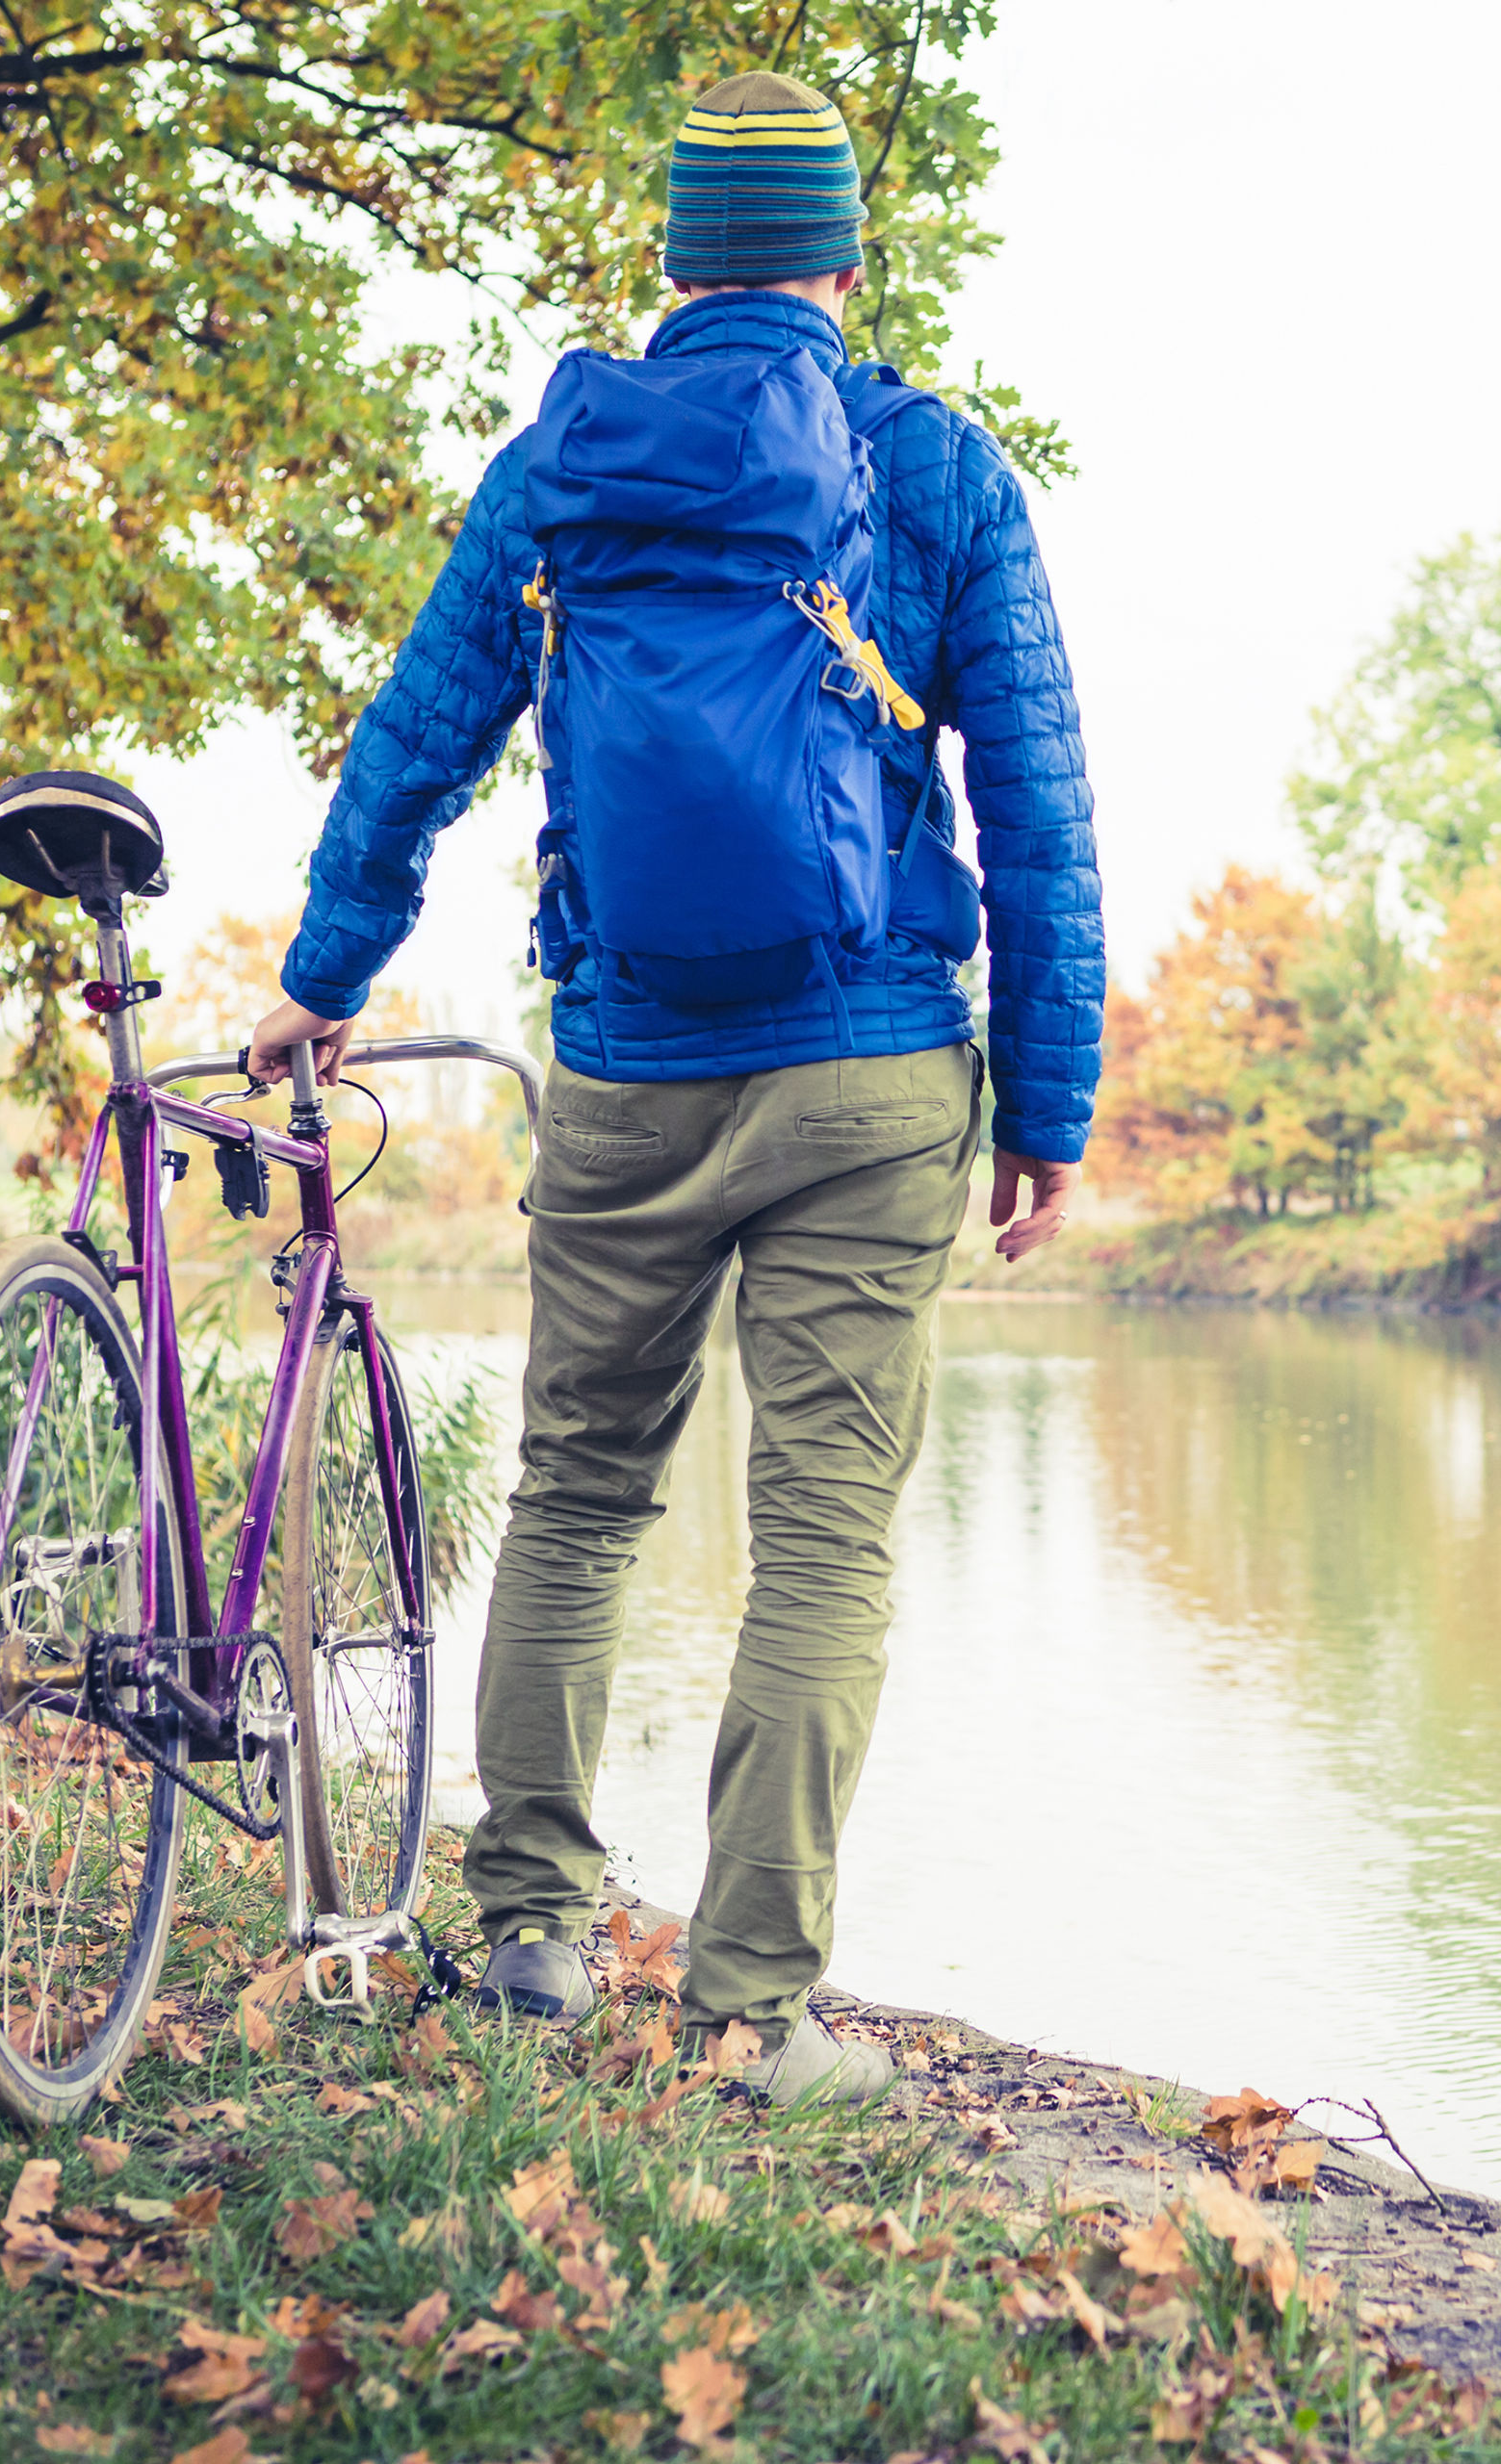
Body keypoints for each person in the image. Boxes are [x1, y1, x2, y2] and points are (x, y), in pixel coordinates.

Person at [246, 69, 1101, 2105]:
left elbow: (422, 734)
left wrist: (321, 975)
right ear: (842, 259)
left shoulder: (566, 461)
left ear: (677, 261)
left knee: (579, 1492)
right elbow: (1039, 809)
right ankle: (751, 2014)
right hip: (876, 1070)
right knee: (823, 1538)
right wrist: (1047, 1100)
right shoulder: (940, 468)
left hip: (625, 1065)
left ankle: (533, 1938)